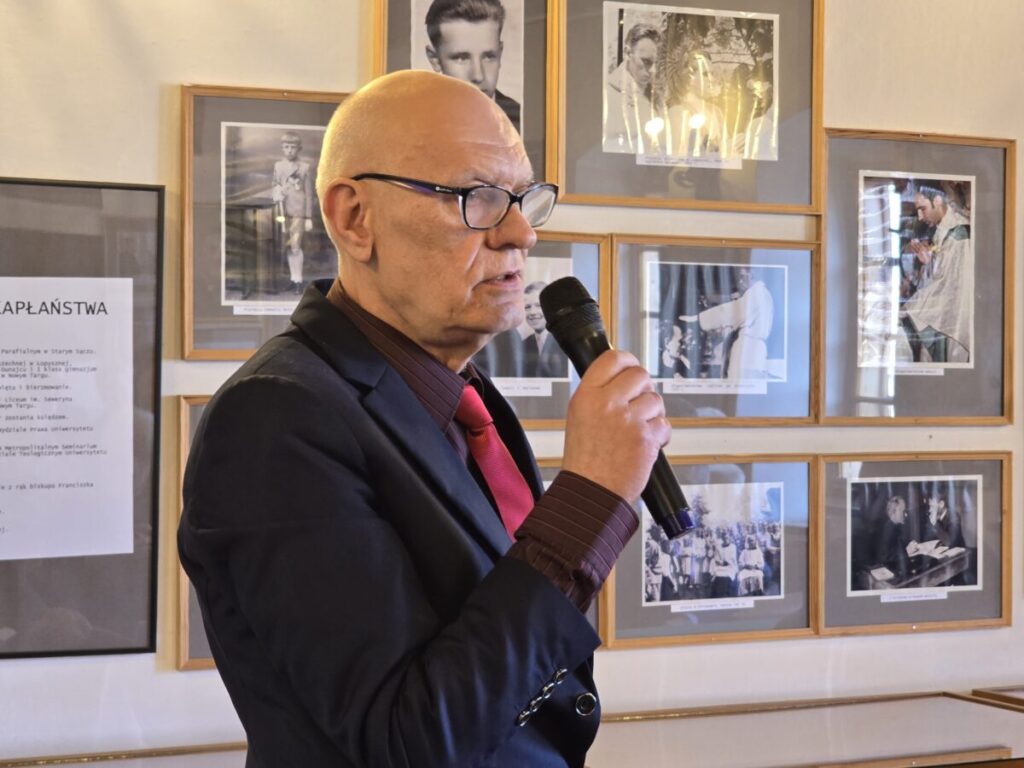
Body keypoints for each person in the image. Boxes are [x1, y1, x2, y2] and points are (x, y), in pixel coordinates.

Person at [178, 70, 669, 767]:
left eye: (523, 198)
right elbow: (406, 742)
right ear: (355, 219)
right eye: (477, 198)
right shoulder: (276, 419)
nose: (521, 233)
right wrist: (588, 499)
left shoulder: (467, 398)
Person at [899, 185, 973, 363]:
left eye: (922, 209)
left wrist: (908, 309)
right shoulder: (943, 230)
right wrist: (927, 262)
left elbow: (951, 284)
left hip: (951, 322)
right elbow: (941, 272)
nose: (920, 216)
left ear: (937, 200)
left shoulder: (959, 233)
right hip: (941, 316)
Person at [425, 0, 521, 131]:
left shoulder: (523, 122)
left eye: (489, 57)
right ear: (435, 59)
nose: (478, 76)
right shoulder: (415, 123)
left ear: (500, 54)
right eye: (461, 58)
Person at [679, 267, 774, 380]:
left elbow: (730, 312)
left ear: (751, 274)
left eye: (742, 276)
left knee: (740, 384)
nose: (739, 281)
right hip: (751, 350)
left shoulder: (757, 293)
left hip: (749, 352)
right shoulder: (760, 294)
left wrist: (698, 319)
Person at [604, 22, 667, 154]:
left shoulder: (656, 96)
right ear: (628, 53)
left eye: (655, 63)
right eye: (646, 61)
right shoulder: (607, 94)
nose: (653, 70)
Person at [272, 131, 315, 294]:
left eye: (293, 147)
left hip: (298, 213)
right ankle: (293, 278)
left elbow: (309, 194)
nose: (289, 150)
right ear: (282, 148)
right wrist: (277, 192)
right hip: (282, 213)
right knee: (289, 247)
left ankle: (299, 280)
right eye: (286, 147)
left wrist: (308, 217)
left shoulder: (304, 167)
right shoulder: (278, 166)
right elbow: (275, 185)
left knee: (296, 247)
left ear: (299, 149)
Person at [521, 280, 569, 377]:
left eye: (538, 305)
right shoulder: (523, 344)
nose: (532, 312)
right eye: (527, 307)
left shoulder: (565, 342)